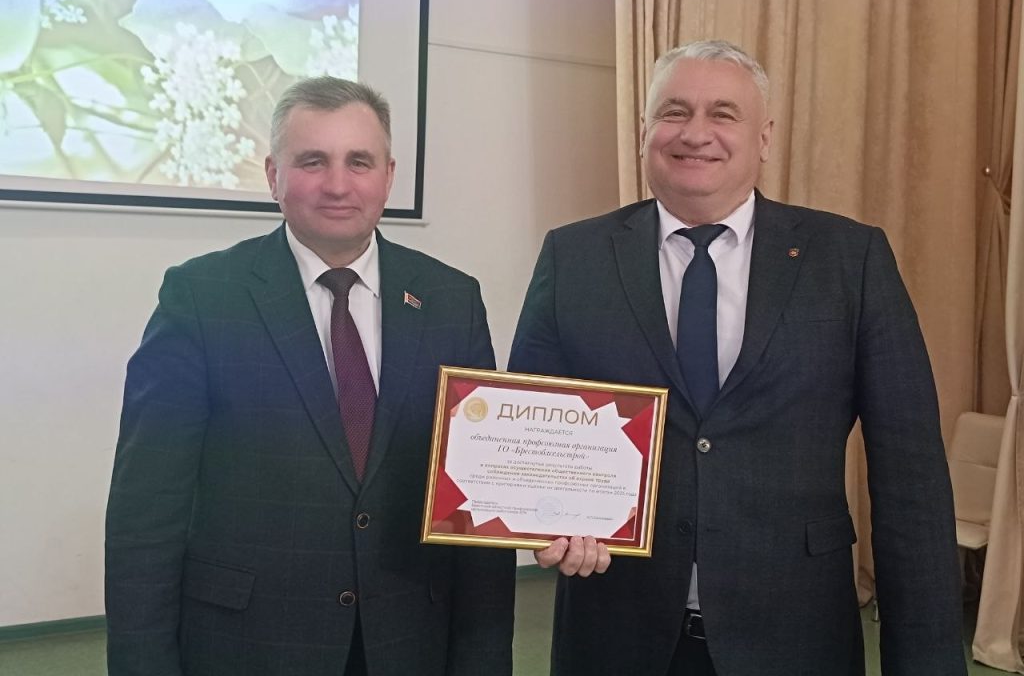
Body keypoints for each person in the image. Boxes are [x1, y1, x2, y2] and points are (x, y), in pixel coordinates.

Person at [508, 40, 965, 675]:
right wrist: (541, 521)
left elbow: (910, 478)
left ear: (765, 137)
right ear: (644, 130)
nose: (695, 133)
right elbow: (528, 435)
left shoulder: (849, 260)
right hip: (615, 630)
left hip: (796, 636)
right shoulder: (573, 258)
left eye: (723, 114)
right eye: (674, 111)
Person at [105, 77, 515, 676]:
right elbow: (146, 510)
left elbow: (477, 501)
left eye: (359, 161)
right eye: (313, 161)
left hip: (410, 641)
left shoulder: (453, 300)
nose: (338, 184)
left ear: (388, 176)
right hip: (247, 645)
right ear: (274, 175)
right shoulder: (200, 297)